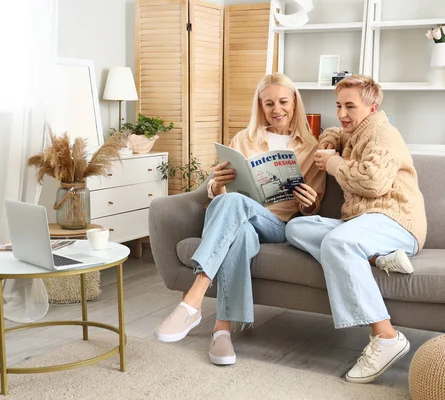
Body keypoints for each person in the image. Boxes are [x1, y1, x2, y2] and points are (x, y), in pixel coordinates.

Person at [154, 72, 326, 365]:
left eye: (283, 101)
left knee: (235, 204)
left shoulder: (312, 147)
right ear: (260, 106)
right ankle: (222, 332)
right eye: (268, 103)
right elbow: (218, 191)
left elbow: (313, 209)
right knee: (240, 229)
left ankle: (193, 300)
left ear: (295, 103)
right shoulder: (243, 140)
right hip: (239, 220)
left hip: (275, 226)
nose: (277, 109)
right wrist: (216, 183)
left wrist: (308, 203)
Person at [285, 74, 427, 384]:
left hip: (395, 220)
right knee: (296, 228)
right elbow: (340, 131)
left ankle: (386, 336)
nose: (341, 113)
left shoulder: (382, 135)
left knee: (337, 243)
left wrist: (334, 163)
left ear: (373, 108)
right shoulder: (359, 129)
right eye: (338, 105)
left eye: (350, 106)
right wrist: (331, 138)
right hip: (364, 224)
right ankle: (379, 258)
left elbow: (374, 183)